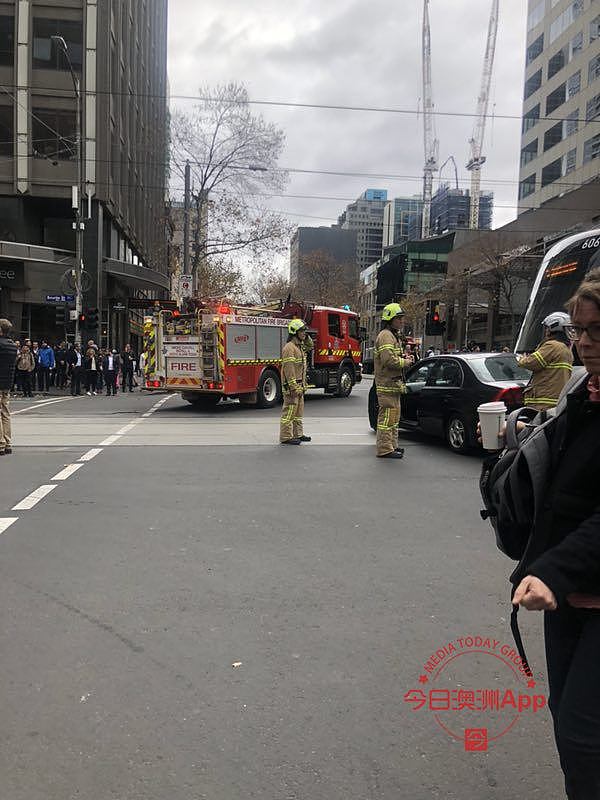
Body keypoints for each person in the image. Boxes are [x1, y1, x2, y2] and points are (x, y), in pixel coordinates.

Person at [507, 268, 600, 799]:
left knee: (586, 736)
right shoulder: (582, 390)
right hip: (566, 595)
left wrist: (551, 570)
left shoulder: (552, 360)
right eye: (579, 331)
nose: (583, 343)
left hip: (571, 583)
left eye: (595, 332)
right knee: (568, 720)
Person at [374, 303, 413, 459]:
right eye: (399, 318)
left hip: (393, 385)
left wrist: (403, 358)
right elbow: (388, 359)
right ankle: (384, 449)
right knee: (387, 419)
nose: (402, 321)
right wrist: (405, 362)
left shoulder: (392, 335)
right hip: (387, 385)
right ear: (390, 319)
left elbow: (392, 356)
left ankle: (392, 446)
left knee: (394, 419)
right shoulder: (385, 336)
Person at [518, 312, 574, 412]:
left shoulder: (552, 346)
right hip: (556, 400)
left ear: (553, 327)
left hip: (543, 402)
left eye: (547, 327)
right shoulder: (566, 349)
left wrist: (521, 358)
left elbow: (530, 362)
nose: (546, 330)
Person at [280, 319, 310, 445]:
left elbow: (310, 346)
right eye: (302, 331)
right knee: (289, 412)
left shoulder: (299, 347)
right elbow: (289, 370)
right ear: (294, 332)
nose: (304, 333)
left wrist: (306, 337)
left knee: (298, 413)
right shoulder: (289, 348)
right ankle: (286, 437)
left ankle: (298, 434)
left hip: (299, 386)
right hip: (293, 387)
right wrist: (293, 386)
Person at [0, 319, 17, 455]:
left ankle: (0, 443)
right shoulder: (12, 345)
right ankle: (8, 443)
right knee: (6, 413)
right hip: (7, 383)